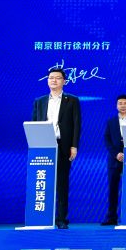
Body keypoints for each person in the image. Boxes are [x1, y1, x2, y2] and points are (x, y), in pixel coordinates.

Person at [31, 67, 81, 229]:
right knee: (43, 182)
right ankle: (41, 217)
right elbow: (34, 124)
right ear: (47, 81)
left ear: (64, 81)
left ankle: (61, 219)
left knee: (62, 183)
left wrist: (74, 146)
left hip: (63, 145)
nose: (54, 80)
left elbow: (77, 125)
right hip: (44, 146)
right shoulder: (39, 101)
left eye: (57, 78)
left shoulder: (72, 100)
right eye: (51, 77)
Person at [101, 94, 126, 226]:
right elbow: (107, 140)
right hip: (114, 160)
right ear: (116, 105)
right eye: (120, 103)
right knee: (113, 189)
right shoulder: (111, 121)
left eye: (125, 103)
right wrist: (116, 154)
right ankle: (111, 217)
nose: (122, 105)